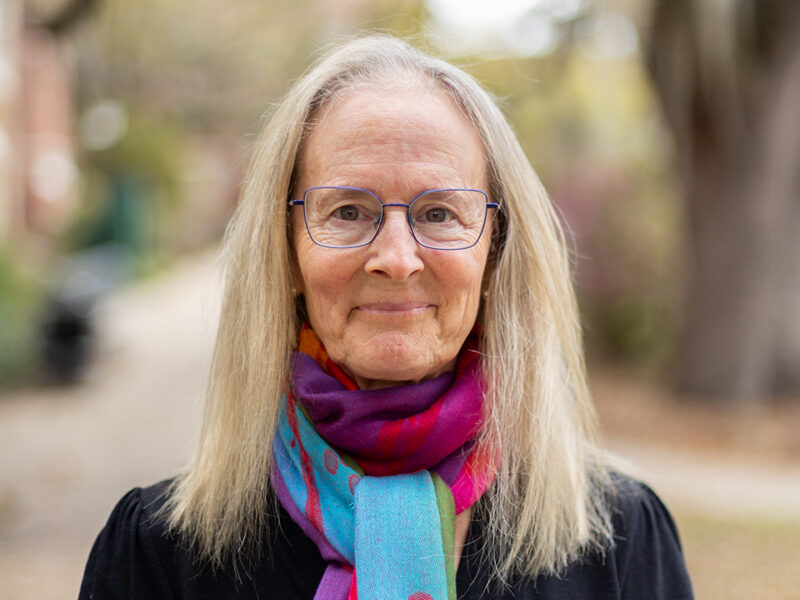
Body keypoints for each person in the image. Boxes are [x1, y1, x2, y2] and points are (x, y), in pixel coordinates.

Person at [79, 35, 694, 599]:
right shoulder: (161, 554)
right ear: (286, 253)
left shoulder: (617, 540)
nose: (397, 259)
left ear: (494, 251)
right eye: (346, 210)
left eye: (438, 213)